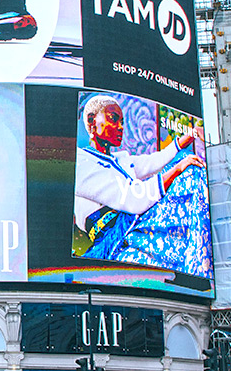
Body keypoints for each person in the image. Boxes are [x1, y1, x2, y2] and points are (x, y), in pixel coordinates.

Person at [74, 94, 209, 274]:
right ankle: (199, 268)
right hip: (114, 234)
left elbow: (154, 161)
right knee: (186, 171)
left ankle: (199, 266)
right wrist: (177, 169)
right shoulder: (79, 162)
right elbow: (132, 198)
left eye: (122, 121)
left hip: (134, 220)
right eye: (114, 119)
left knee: (187, 165)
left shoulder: (119, 159)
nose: (121, 127)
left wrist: (190, 135)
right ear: (91, 122)